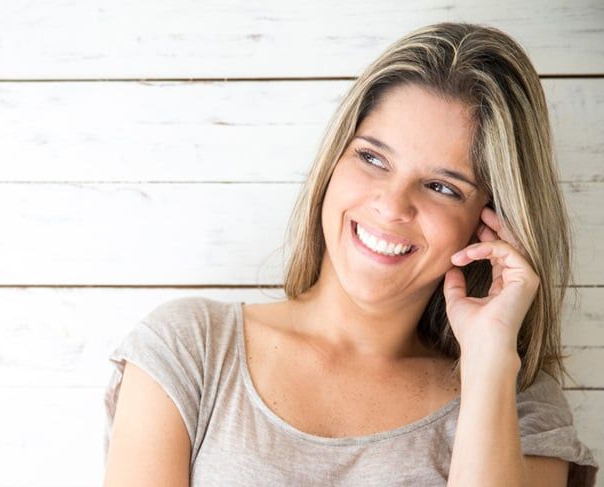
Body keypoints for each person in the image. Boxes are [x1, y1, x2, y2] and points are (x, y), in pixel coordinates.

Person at [102, 22, 600, 486]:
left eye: (441, 187)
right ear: (333, 161)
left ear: (489, 223)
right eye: (371, 157)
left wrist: (489, 359)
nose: (391, 204)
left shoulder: (519, 408)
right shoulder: (190, 350)